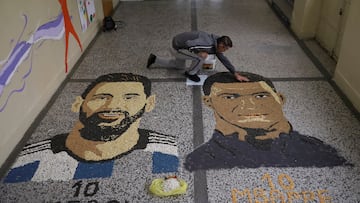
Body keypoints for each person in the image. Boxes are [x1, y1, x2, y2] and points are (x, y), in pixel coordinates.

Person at [3, 73, 179, 183]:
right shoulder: (30, 158)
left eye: (129, 97)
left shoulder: (166, 150)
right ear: (78, 104)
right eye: (101, 97)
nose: (113, 106)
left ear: (149, 104)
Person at [184, 72, 351, 171]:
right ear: (208, 102)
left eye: (260, 96)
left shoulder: (323, 152)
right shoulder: (200, 160)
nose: (249, 107)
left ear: (280, 99)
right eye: (230, 97)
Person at [146, 31, 249, 82]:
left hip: (177, 42)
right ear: (221, 45)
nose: (225, 51)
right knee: (200, 57)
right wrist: (198, 53)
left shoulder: (216, 42)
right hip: (177, 47)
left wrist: (235, 73)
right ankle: (190, 73)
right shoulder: (207, 43)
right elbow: (189, 43)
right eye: (225, 49)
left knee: (179, 66)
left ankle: (155, 59)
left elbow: (223, 59)